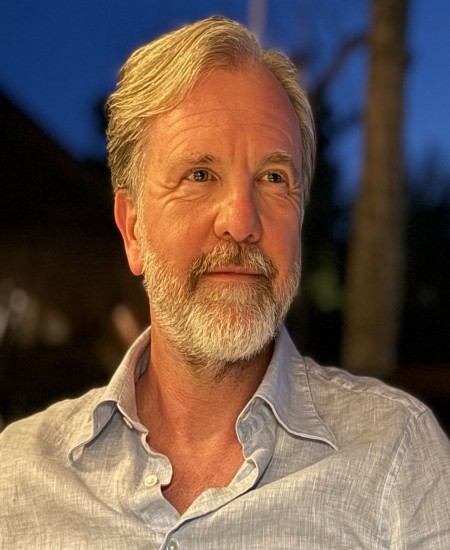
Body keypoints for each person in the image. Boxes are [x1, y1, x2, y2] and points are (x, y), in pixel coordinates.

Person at [1, 16, 449, 549]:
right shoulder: (17, 480)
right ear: (133, 229)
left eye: (273, 178)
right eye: (199, 175)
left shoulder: (399, 461)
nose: (241, 220)